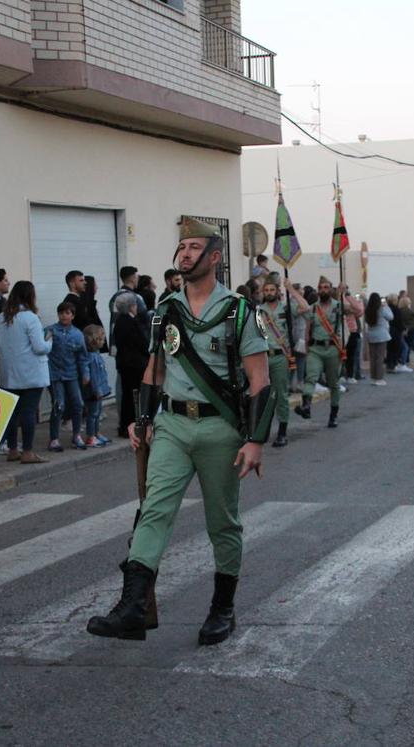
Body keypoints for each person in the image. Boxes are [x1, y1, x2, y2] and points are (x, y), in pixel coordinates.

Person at [87, 217, 273, 644]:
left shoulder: (239, 312)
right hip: (171, 425)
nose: (185, 253)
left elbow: (260, 382)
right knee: (153, 512)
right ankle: (133, 606)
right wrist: (143, 418)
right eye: (182, 246)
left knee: (222, 523)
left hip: (220, 429)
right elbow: (154, 371)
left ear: (214, 256)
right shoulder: (166, 309)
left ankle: (222, 609)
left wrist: (255, 441)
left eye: (194, 247)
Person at [0, 280, 52, 463]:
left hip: (8, 373)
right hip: (31, 373)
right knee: (28, 412)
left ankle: (12, 449)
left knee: (11, 412)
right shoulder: (30, 318)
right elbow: (39, 347)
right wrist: (49, 341)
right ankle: (27, 451)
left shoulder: (0, 318)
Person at [257, 272, 309, 446]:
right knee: (262, 396)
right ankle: (262, 431)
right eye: (267, 290)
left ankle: (282, 432)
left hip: (280, 357)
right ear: (263, 292)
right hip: (262, 358)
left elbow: (305, 307)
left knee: (281, 395)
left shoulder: (286, 309)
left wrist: (291, 289)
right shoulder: (257, 311)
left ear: (277, 291)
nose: (269, 292)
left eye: (272, 289)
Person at [295, 276, 347, 427]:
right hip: (315, 348)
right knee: (311, 377)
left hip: (332, 348)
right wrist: (306, 346)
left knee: (333, 383)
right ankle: (306, 406)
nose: (323, 290)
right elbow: (308, 326)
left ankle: (333, 415)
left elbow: (357, 311)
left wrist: (344, 294)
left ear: (331, 289)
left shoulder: (338, 305)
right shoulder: (313, 308)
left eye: (326, 287)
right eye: (321, 288)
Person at [45, 301, 86, 451]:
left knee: (78, 404)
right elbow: (43, 350)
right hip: (55, 375)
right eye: (61, 313)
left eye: (67, 313)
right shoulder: (50, 331)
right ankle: (54, 439)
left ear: (73, 316)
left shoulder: (77, 334)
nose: (64, 316)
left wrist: (86, 374)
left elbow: (83, 356)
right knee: (59, 404)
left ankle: (76, 435)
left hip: (72, 374)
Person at [112, 293, 150, 436]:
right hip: (134, 365)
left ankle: (126, 425)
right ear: (131, 306)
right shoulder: (131, 322)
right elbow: (141, 343)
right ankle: (130, 425)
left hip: (125, 364)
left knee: (128, 396)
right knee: (133, 397)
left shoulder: (120, 322)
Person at [80, 324, 111, 447]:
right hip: (94, 391)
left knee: (97, 413)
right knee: (93, 414)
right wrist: (97, 391)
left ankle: (96, 433)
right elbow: (93, 377)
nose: (104, 341)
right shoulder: (91, 357)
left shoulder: (96, 354)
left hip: (99, 390)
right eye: (102, 339)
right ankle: (90, 436)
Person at [364, 292, 392, 386]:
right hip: (381, 335)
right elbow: (391, 317)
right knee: (380, 357)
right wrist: (387, 306)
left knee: (372, 358)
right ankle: (379, 378)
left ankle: (373, 377)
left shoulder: (367, 310)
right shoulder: (381, 309)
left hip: (371, 335)